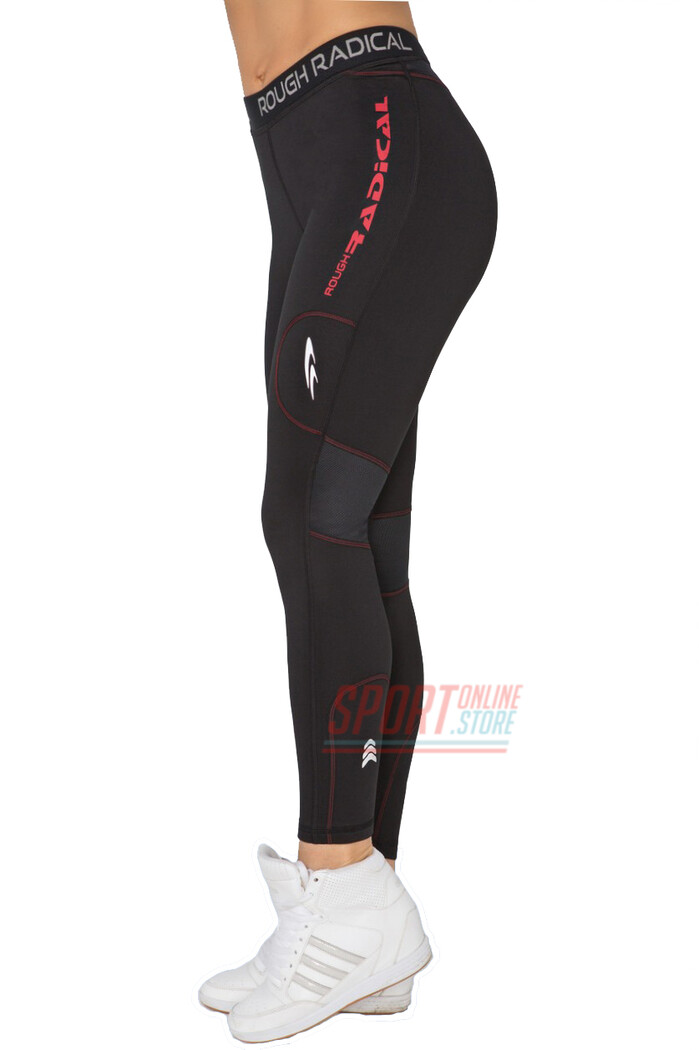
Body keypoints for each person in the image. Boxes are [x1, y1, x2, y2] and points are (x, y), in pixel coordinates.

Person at [199, 1, 497, 1041]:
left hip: (375, 132)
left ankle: (343, 885)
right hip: (312, 154)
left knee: (312, 518)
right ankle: (365, 914)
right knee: (351, 531)